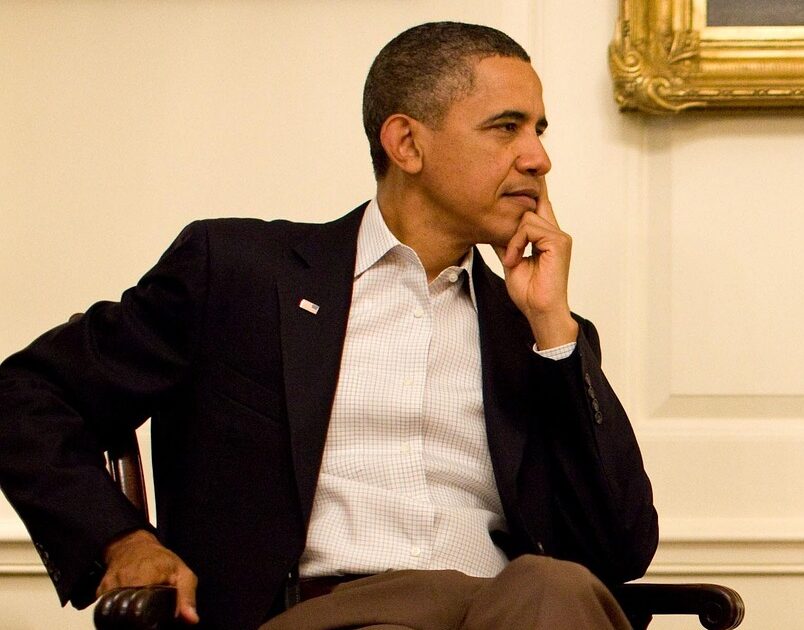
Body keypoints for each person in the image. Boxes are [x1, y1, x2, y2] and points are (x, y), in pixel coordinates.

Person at [0, 21, 657, 630]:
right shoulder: (239, 275)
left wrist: (554, 331)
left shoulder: (535, 332)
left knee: (556, 589)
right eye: (507, 128)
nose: (538, 158)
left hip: (505, 610)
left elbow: (618, 551)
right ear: (406, 143)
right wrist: (120, 538)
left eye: (541, 130)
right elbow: (26, 396)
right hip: (327, 613)